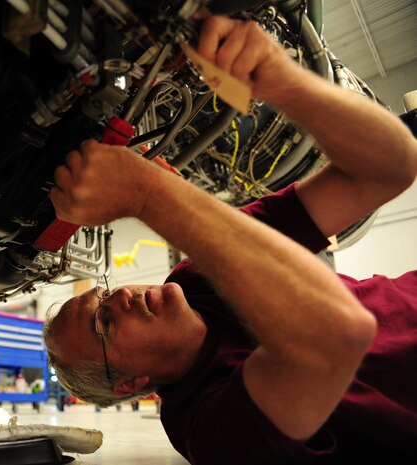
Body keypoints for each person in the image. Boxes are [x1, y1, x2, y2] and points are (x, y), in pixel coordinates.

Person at [43, 13, 417, 465]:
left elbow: (391, 167)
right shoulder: (209, 430)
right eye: (102, 322)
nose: (119, 296)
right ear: (129, 383)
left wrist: (281, 80)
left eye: (102, 293)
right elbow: (335, 337)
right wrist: (146, 195)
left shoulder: (198, 278)